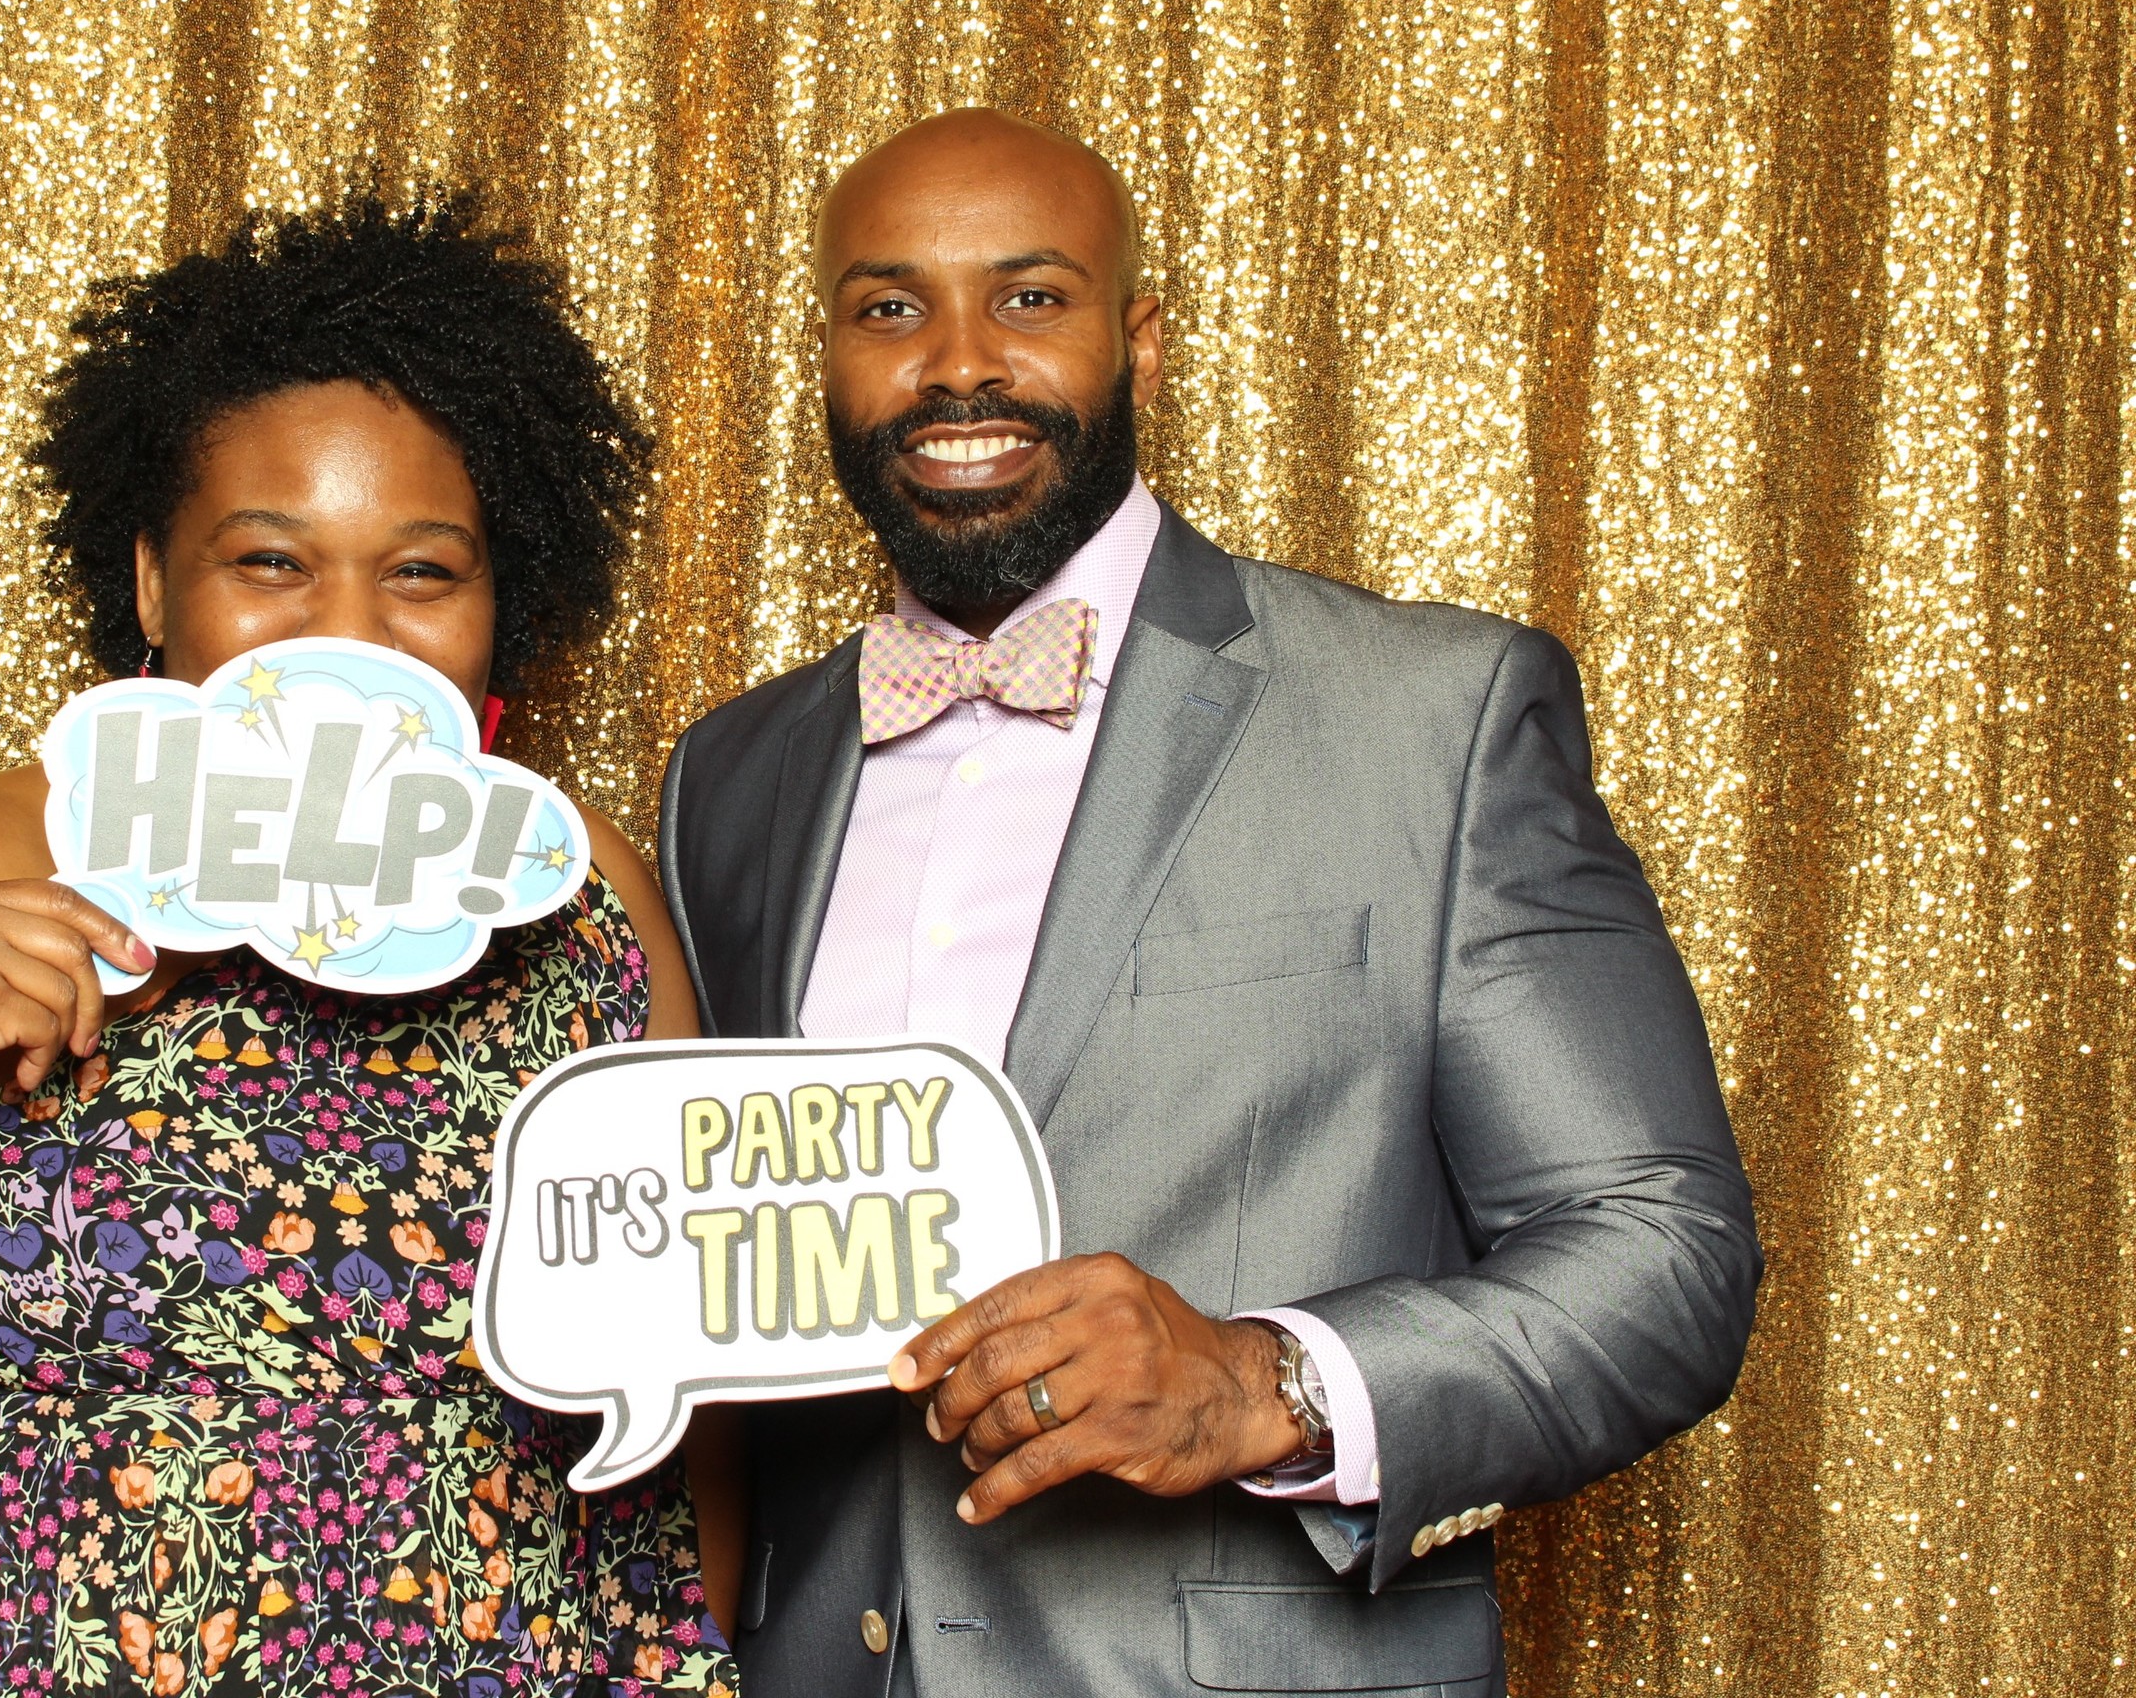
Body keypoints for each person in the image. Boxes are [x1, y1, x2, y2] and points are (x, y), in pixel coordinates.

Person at [657, 109, 1759, 1698]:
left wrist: (1263, 1386)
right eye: (890, 307)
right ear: (828, 358)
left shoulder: (1428, 720)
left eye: (1030, 298)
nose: (956, 364)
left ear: (1142, 341)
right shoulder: (733, 775)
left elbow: (1664, 1249)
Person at [0, 195, 741, 1698]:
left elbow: (699, 1394)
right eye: (269, 563)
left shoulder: (572, 897)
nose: (348, 634)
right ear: (149, 581)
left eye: (422, 574)